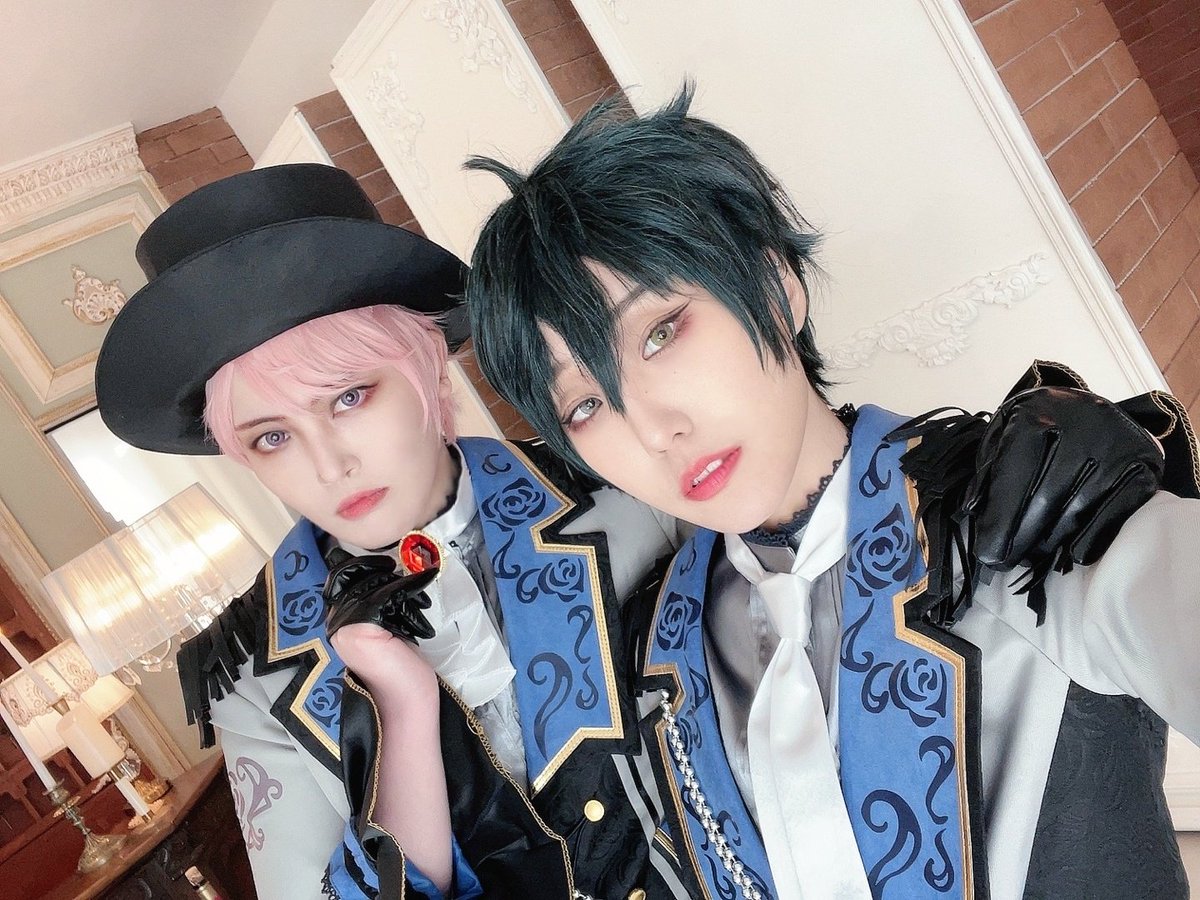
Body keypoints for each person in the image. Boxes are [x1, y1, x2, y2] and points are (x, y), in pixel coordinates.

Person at [465, 86, 1199, 899]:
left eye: (660, 333)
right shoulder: (653, 659)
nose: (652, 429)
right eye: (584, 405)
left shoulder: (1016, 510)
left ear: (776, 288)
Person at [94, 164, 682, 900]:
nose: (329, 465)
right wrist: (399, 712)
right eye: (272, 437)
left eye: (348, 397)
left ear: (430, 372)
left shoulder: (623, 487)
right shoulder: (253, 676)